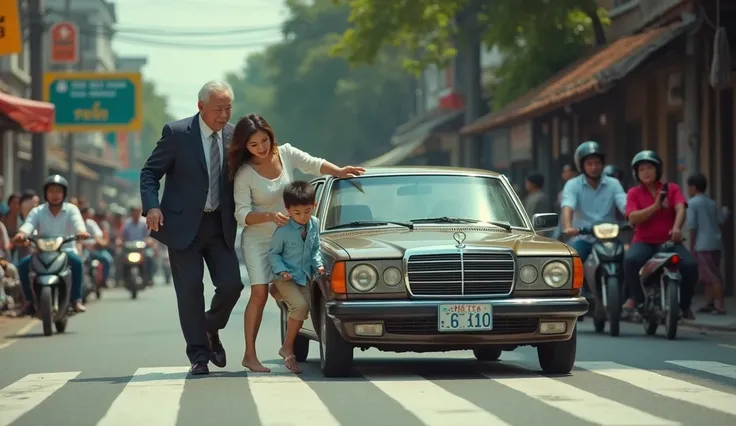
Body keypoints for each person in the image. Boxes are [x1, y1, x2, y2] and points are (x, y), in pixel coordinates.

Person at [230, 113, 365, 373]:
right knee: (258, 293)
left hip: (292, 238)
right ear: (244, 147)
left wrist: (338, 171)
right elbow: (241, 214)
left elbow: (313, 164)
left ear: (270, 136)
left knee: (295, 290)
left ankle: (278, 292)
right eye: (253, 145)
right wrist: (269, 216)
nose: (261, 148)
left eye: (263, 141)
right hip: (259, 240)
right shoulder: (245, 173)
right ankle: (250, 354)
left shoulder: (286, 153)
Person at [140, 80, 244, 376]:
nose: (224, 115)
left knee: (231, 285)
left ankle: (209, 327)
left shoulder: (234, 136)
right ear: (201, 107)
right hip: (183, 226)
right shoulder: (176, 134)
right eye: (218, 109)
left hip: (219, 225)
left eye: (228, 109)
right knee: (190, 292)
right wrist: (152, 206)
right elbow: (149, 172)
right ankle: (198, 355)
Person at [621, 150, 697, 319]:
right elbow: (633, 217)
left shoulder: (672, 188)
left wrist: (677, 227)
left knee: (690, 265)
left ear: (658, 170)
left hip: (669, 242)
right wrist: (655, 207)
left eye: (649, 168)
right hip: (644, 242)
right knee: (631, 260)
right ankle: (636, 299)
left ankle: (684, 305)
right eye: (642, 169)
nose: (646, 172)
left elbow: (681, 208)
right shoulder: (634, 192)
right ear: (636, 173)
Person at [267, 181, 323, 373]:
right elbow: (273, 253)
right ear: (288, 210)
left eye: (307, 211)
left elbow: (315, 249)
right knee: (299, 307)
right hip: (285, 277)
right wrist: (281, 271)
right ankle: (288, 348)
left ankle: (280, 296)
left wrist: (319, 265)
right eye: (297, 213)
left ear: (314, 205)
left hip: (304, 275)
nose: (303, 217)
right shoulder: (282, 230)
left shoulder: (315, 224)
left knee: (305, 310)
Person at [13, 175, 90, 314]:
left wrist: (81, 232)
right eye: (51, 191)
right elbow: (28, 225)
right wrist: (21, 234)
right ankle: (29, 302)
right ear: (46, 193)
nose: (55, 195)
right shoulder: (38, 211)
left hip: (66, 251)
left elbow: (79, 224)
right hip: (42, 252)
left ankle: (76, 300)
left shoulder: (71, 209)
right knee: (23, 265)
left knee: (78, 262)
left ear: (64, 193)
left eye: (58, 191)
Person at [561, 141, 627, 268]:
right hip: (583, 238)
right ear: (582, 166)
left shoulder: (613, 184)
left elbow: (624, 204)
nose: (594, 167)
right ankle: (579, 289)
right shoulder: (573, 185)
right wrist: (568, 227)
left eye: (597, 163)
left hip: (610, 238)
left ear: (603, 164)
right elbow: (568, 206)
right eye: (589, 164)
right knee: (572, 263)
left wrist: (632, 217)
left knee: (628, 262)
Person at [686, 173, 729, 315]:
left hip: (702, 244)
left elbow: (692, 227)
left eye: (689, 187)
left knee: (712, 276)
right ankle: (709, 302)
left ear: (693, 187)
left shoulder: (692, 203)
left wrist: (691, 246)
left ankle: (720, 306)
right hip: (716, 242)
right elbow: (721, 220)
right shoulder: (712, 203)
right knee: (708, 275)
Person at [119, 205, 155, 283]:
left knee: (149, 257)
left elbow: (149, 236)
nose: (136, 214)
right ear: (131, 213)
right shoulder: (127, 223)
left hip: (142, 249)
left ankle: (149, 278)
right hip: (130, 249)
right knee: (120, 258)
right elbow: (122, 236)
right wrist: (119, 241)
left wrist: (148, 241)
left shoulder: (145, 222)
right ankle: (121, 278)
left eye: (137, 211)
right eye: (134, 212)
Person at [80, 207, 113, 285]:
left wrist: (99, 242)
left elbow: (98, 236)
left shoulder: (91, 223)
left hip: (95, 249)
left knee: (107, 259)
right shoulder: (75, 224)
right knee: (83, 260)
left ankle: (103, 280)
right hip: (83, 250)